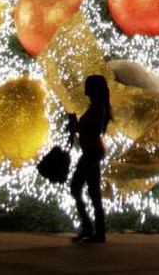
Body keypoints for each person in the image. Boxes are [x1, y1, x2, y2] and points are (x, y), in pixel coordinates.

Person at [67, 74, 112, 244]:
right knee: (93, 193)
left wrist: (76, 125)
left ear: (94, 89)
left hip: (92, 152)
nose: (85, 88)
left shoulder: (97, 108)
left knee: (76, 187)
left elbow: (91, 130)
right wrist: (76, 125)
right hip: (94, 151)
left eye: (87, 85)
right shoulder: (96, 106)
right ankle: (98, 232)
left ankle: (88, 228)